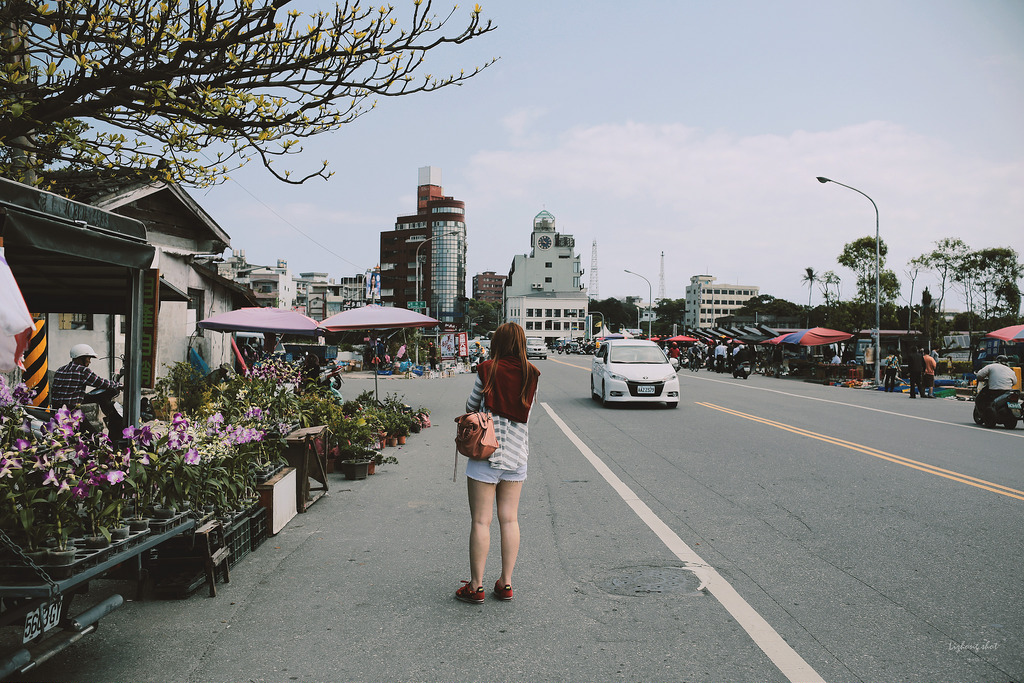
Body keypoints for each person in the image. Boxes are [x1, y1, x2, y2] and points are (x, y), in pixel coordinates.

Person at [456, 322, 540, 605]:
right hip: (517, 454)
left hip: (486, 452)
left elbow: (471, 406)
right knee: (510, 518)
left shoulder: (488, 368)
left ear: (498, 343)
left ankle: (476, 587)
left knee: (481, 520)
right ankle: (506, 583)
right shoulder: (531, 373)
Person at [51, 343, 123, 434]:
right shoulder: (83, 370)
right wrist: (119, 385)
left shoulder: (61, 369)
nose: (89, 362)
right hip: (71, 411)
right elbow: (100, 382)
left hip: (57, 408)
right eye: (88, 358)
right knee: (94, 437)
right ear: (81, 358)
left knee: (98, 396)